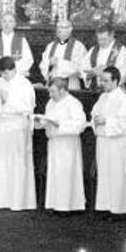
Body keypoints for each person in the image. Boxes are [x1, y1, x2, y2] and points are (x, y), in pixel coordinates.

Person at [0, 57, 36, 211]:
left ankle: (19, 201)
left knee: (17, 162)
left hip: (18, 125)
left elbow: (28, 106)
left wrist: (8, 101)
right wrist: (0, 105)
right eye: (2, 73)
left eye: (7, 73)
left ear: (14, 69)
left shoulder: (24, 83)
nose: (5, 76)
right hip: (3, 124)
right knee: (2, 160)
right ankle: (2, 199)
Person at [91, 66, 126, 215]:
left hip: (117, 142)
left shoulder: (124, 99)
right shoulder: (102, 97)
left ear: (116, 81)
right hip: (103, 141)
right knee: (104, 174)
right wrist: (96, 121)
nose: (102, 84)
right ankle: (105, 206)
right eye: (101, 80)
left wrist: (107, 121)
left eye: (106, 81)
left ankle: (119, 209)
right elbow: (94, 115)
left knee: (118, 175)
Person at [39, 77, 87, 212]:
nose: (50, 95)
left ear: (62, 90)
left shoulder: (73, 103)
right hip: (54, 143)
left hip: (67, 144)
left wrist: (60, 124)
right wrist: (41, 123)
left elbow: (80, 125)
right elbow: (47, 120)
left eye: (53, 92)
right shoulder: (51, 103)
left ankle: (67, 206)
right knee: (55, 173)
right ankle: (54, 204)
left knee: (66, 174)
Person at [0, 12, 34, 82]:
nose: (7, 24)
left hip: (17, 78)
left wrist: (13, 72)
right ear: (0, 24)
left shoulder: (22, 41)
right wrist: (1, 71)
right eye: (4, 21)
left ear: (15, 24)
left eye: (10, 21)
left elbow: (28, 60)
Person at [38, 20, 86, 89]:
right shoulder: (50, 46)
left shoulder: (78, 47)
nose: (59, 30)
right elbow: (43, 64)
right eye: (58, 27)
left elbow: (82, 67)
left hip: (70, 84)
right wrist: (49, 63)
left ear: (70, 29)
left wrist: (60, 63)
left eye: (63, 27)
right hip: (53, 84)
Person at [81, 24, 126, 89]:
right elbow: (83, 69)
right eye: (99, 39)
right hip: (95, 89)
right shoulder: (93, 50)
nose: (101, 42)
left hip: (115, 90)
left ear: (112, 36)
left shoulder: (121, 51)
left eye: (104, 39)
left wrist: (107, 73)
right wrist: (92, 72)